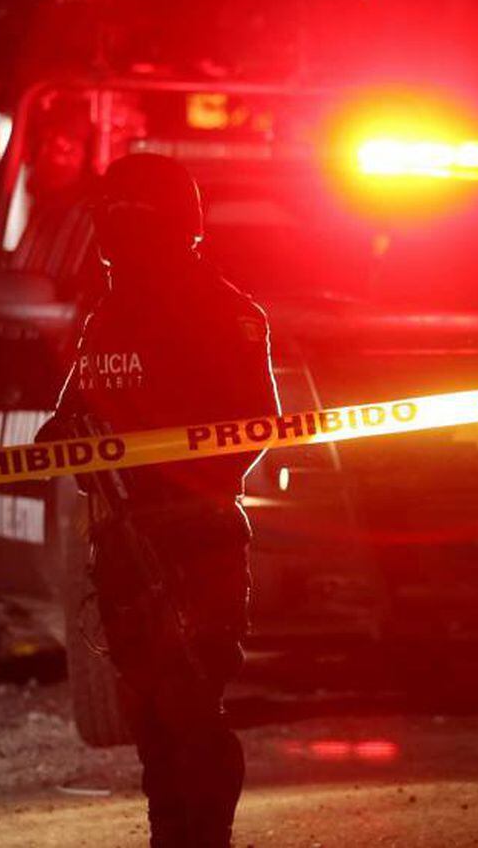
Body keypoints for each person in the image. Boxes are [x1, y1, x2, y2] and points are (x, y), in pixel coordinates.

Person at [42, 152, 279, 846]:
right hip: (120, 546)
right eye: (108, 218)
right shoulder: (107, 317)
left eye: (126, 217)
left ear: (171, 225)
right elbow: (65, 420)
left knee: (190, 709)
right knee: (150, 719)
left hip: (193, 543)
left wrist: (168, 480)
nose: (112, 234)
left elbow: (253, 427)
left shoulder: (226, 313)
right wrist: (76, 445)